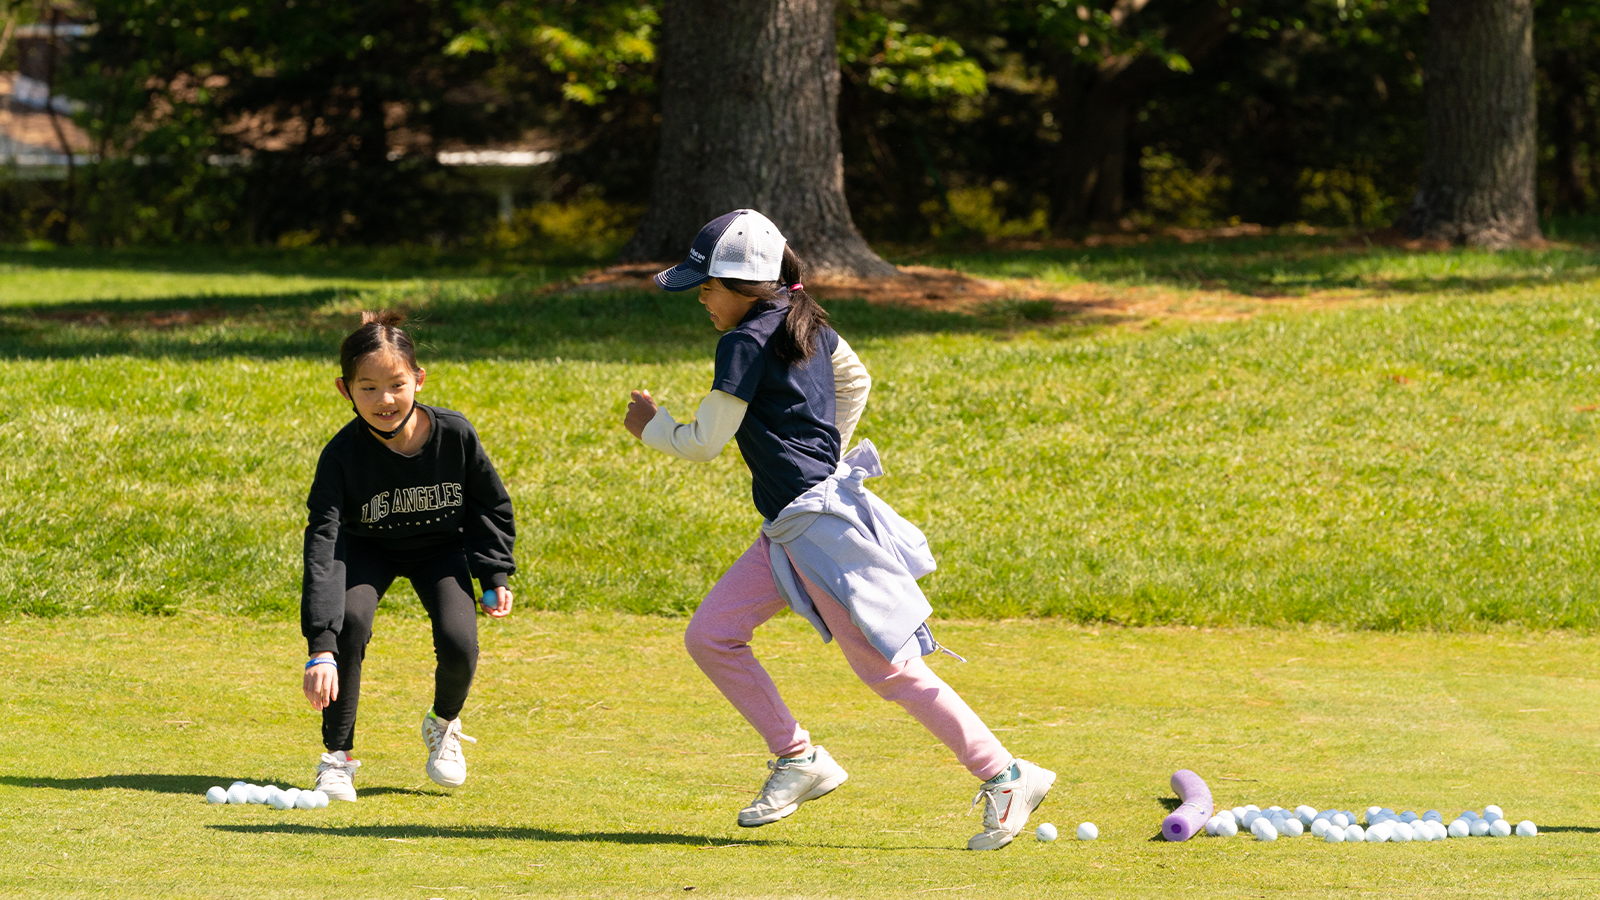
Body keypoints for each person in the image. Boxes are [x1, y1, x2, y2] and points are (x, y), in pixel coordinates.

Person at [624, 209, 1055, 850]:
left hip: (815, 528)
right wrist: (823, 457)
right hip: (793, 523)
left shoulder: (742, 341)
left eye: (706, 287)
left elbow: (705, 442)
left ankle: (1007, 774)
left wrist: (649, 426)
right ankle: (798, 759)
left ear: (743, 286)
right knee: (713, 634)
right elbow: (856, 379)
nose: (701, 300)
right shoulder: (805, 317)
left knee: (891, 670)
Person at [300, 311, 516, 801]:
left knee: (460, 642)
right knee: (350, 624)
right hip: (365, 549)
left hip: (438, 550)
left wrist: (494, 569)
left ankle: (443, 724)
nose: (385, 400)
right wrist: (321, 645)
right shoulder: (340, 455)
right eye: (368, 388)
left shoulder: (455, 434)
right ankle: (337, 758)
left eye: (396, 384)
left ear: (418, 379)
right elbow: (325, 544)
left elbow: (489, 503)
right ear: (344, 389)